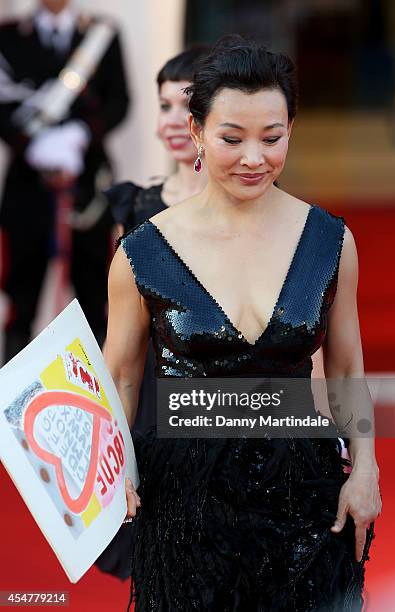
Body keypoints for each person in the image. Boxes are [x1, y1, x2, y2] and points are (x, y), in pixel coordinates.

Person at [106, 36, 382, 611]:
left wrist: (365, 469)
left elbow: (347, 364)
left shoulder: (330, 241)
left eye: (272, 138)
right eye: (232, 139)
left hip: (305, 494)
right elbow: (121, 379)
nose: (254, 158)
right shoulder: (142, 251)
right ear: (198, 132)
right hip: (184, 504)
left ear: (291, 131)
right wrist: (109, 475)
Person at [95, 46, 208, 580]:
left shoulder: (265, 205)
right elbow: (122, 332)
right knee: (161, 554)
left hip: (229, 400)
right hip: (151, 400)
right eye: (163, 106)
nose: (172, 122)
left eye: (186, 105)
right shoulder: (136, 205)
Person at [0, 0, 130, 361]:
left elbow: (119, 100)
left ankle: (92, 390)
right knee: (20, 298)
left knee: (93, 293)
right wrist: (34, 144)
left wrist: (81, 134)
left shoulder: (101, 33)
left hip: (87, 186)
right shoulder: (8, 37)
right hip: (28, 186)